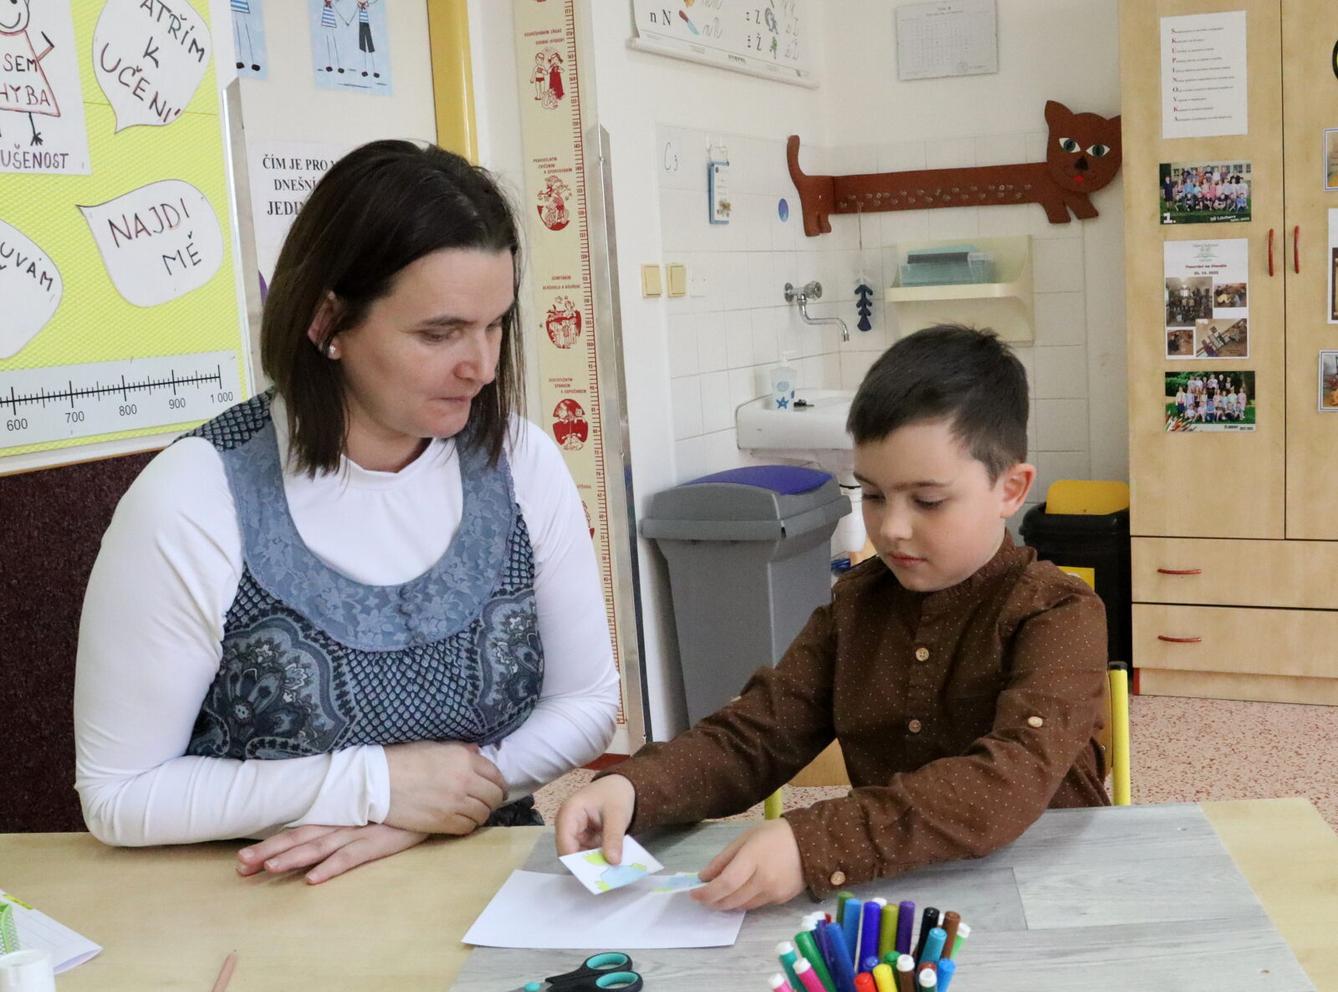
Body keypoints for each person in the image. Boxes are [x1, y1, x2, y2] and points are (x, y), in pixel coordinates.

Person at [75, 141, 620, 883]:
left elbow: (587, 702)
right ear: (328, 321)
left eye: (496, 326)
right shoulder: (193, 499)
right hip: (264, 903)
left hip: (480, 876)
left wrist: (425, 815)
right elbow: (120, 794)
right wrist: (378, 788)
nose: (483, 367)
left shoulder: (520, 461)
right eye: (440, 333)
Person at [556, 325, 1109, 910]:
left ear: (1010, 488)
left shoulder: (1058, 612)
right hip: (897, 897)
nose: (891, 527)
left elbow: (1008, 781)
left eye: (927, 500)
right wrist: (634, 788)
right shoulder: (858, 604)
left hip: (1049, 894)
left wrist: (813, 842)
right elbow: (759, 734)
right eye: (872, 494)